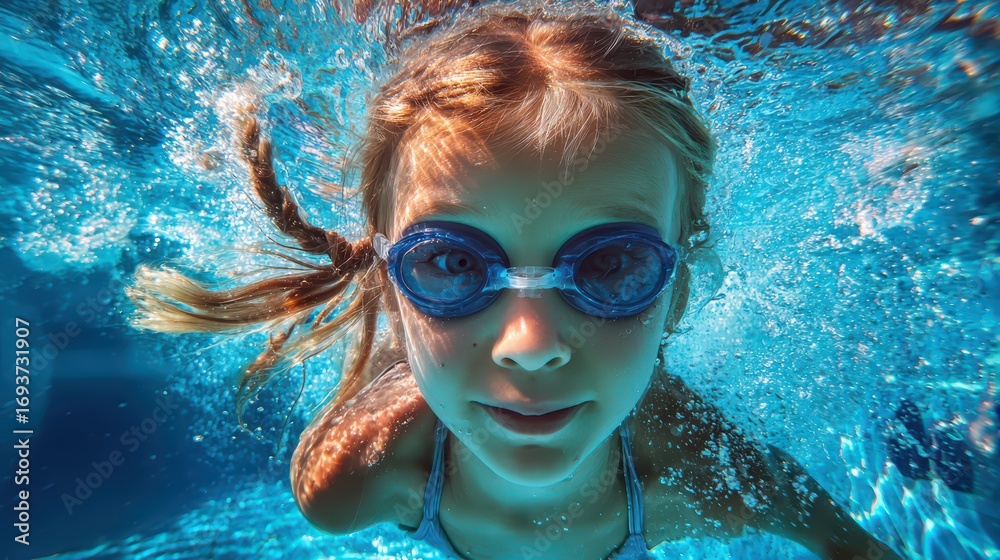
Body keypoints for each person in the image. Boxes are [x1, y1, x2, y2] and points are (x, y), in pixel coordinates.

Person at [128, 1, 905, 558]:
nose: (529, 347)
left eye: (612, 265)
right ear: (391, 288)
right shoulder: (348, 478)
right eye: (450, 263)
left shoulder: (705, 473)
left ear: (677, 297)